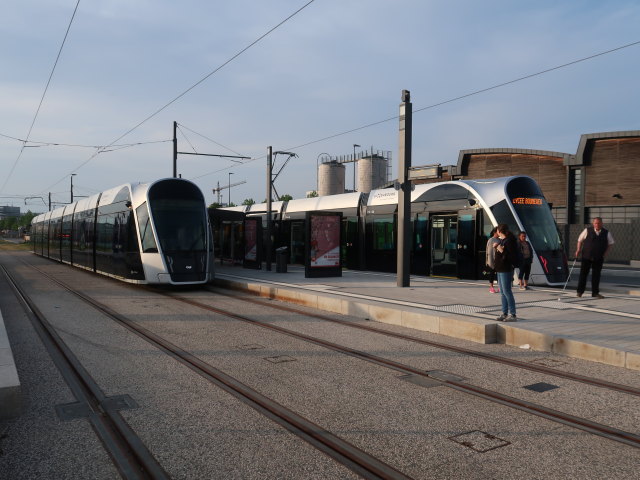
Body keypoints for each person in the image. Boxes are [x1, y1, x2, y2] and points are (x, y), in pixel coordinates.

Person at [575, 217, 614, 299]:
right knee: (583, 274)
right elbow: (580, 240)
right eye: (595, 223)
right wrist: (578, 249)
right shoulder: (587, 230)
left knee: (596, 275)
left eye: (599, 223)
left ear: (602, 224)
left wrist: (606, 253)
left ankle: (595, 293)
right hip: (586, 256)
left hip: (599, 257)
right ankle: (580, 292)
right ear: (593, 224)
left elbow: (610, 243)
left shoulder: (606, 232)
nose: (597, 224)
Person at [493, 224, 518, 321]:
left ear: (499, 231)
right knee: (502, 292)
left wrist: (498, 248)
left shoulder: (510, 241)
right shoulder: (503, 240)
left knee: (507, 292)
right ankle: (504, 313)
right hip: (500, 269)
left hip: (506, 269)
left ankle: (513, 314)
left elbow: (509, 256)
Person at [485, 228, 500, 293]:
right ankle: (491, 287)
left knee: (499, 274)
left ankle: (499, 287)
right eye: (498, 232)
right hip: (493, 260)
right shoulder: (491, 240)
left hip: (498, 260)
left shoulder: (499, 240)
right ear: (495, 232)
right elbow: (490, 252)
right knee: (492, 274)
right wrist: (491, 261)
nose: (499, 233)